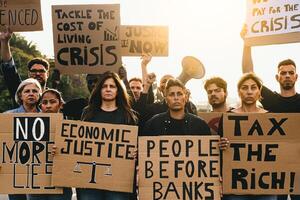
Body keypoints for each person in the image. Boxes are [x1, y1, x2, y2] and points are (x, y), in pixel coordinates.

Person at [77, 71, 138, 200]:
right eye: (104, 86)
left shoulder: (128, 115)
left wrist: (136, 152)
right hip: (90, 180)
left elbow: (135, 143)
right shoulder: (88, 113)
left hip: (118, 180)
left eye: (112, 86)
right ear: (99, 89)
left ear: (118, 90)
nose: (108, 89)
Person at [221, 73, 276, 200]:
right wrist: (221, 144)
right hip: (235, 187)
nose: (249, 92)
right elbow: (219, 150)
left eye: (253, 87)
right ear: (239, 92)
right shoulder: (228, 117)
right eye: (245, 88)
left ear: (259, 91)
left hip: (265, 186)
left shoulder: (271, 117)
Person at [28, 89, 72, 200]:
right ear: (40, 105)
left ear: (60, 105)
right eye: (44, 102)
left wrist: (63, 151)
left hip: (60, 187)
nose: (48, 106)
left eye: (52, 102)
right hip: (36, 185)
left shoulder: (71, 129)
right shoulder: (29, 126)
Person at [4, 78, 42, 200]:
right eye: (27, 91)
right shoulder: (7, 116)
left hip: (40, 174)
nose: (31, 93)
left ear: (39, 95)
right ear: (20, 95)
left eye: (35, 91)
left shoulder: (49, 117)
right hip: (15, 173)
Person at [0, 27, 50, 107]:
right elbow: (8, 68)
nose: (37, 73)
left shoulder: (54, 97)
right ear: (29, 74)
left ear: (47, 74)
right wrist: (4, 42)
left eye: (41, 71)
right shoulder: (19, 90)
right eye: (33, 71)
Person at [142, 78, 210, 136]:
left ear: (186, 97)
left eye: (179, 94)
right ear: (166, 99)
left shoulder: (200, 125)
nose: (176, 98)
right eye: (171, 94)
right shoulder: (153, 123)